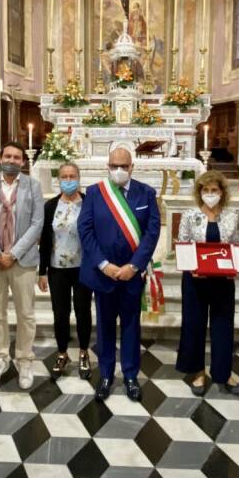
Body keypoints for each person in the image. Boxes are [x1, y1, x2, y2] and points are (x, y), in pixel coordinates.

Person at [78, 145, 160, 401]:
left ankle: (131, 375)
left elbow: (152, 232)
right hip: (104, 274)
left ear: (132, 167)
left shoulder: (146, 193)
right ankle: (105, 374)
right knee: (104, 327)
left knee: (131, 326)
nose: (119, 170)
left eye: (124, 166)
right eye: (114, 166)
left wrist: (134, 266)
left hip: (132, 274)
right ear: (108, 166)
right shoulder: (94, 193)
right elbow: (85, 230)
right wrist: (104, 264)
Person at [0, 142, 44, 390]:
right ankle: (0, 357)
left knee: (26, 314)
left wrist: (13, 253)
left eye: (17, 157)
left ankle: (24, 359)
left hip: (22, 260)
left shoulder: (33, 186)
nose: (12, 160)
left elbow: (37, 223)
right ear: (0, 157)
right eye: (8, 156)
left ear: (23, 162)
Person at [175, 170, 239, 395]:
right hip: (195, 280)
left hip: (222, 281)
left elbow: (235, 245)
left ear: (222, 192)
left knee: (223, 325)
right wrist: (190, 268)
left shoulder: (232, 216)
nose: (210, 194)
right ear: (199, 192)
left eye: (214, 190)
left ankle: (223, 372)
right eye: (206, 190)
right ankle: (198, 371)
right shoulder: (189, 215)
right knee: (194, 325)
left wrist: (236, 266)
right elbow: (182, 245)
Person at [38, 162, 93, 381]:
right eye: (64, 177)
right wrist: (42, 271)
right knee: (60, 313)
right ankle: (62, 353)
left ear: (79, 179)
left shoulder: (89, 203)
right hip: (57, 269)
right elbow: (45, 238)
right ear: (58, 180)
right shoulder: (50, 205)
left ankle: (83, 352)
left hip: (83, 268)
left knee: (82, 312)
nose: (68, 181)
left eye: (72, 176)